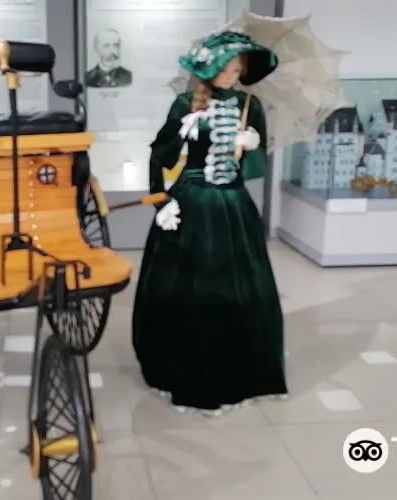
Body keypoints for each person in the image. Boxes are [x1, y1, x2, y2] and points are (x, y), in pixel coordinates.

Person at [131, 31, 287, 417]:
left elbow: (252, 165)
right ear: (209, 69)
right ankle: (183, 370)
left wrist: (251, 146)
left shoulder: (251, 105)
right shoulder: (185, 104)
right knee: (190, 289)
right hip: (193, 202)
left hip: (233, 205)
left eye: (238, 69)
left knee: (238, 289)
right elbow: (159, 154)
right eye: (226, 69)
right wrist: (160, 201)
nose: (232, 76)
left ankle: (239, 372)